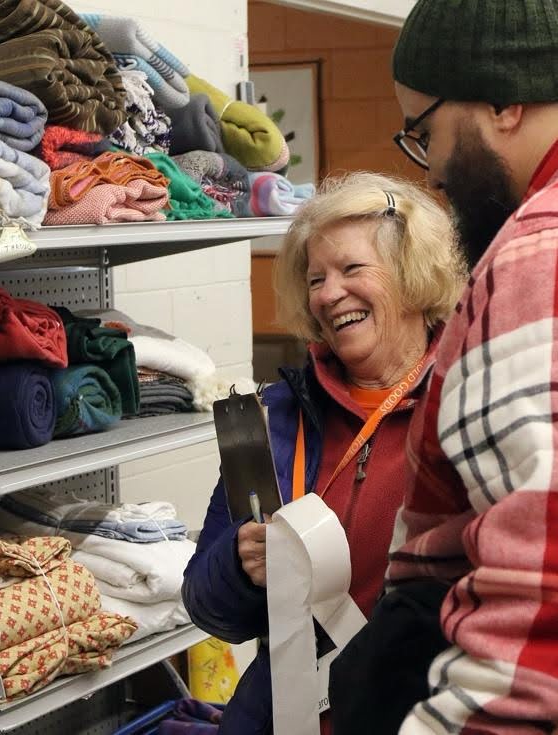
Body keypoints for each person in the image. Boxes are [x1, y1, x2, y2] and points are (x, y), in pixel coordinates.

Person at [330, 2, 558, 734]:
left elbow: (541, 604)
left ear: (502, 100)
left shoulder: (535, 256)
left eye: (424, 132)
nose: (429, 169)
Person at [181, 171, 466, 735]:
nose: (329, 294)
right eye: (316, 279)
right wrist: (240, 566)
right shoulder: (275, 418)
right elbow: (205, 605)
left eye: (352, 269)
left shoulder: (466, 402)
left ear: (413, 274)